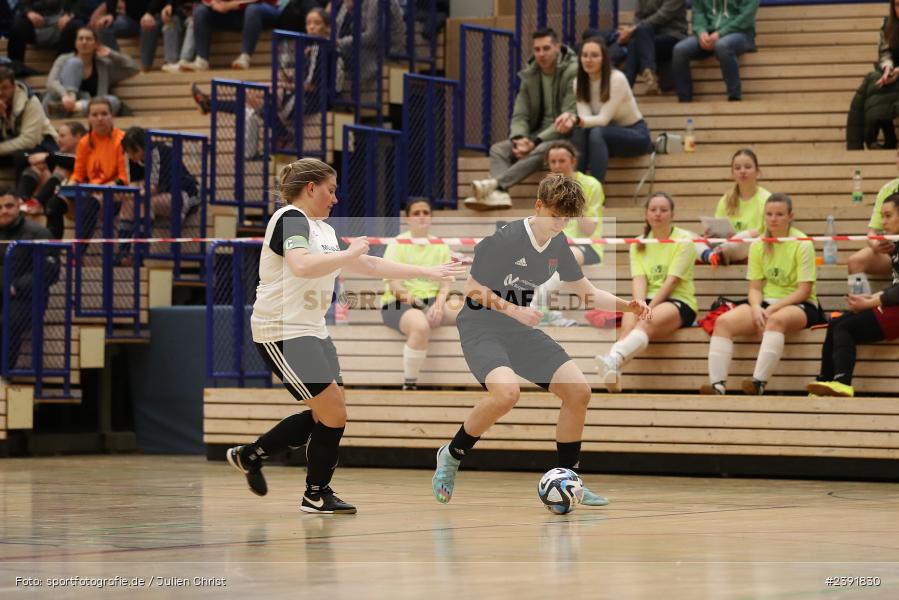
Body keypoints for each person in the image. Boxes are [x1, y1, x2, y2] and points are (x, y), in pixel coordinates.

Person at [226, 158, 466, 514]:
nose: (335, 199)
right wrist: (348, 253)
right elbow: (301, 265)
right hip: (282, 331)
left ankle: (250, 455)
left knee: (327, 411)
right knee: (333, 412)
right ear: (311, 188)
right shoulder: (291, 219)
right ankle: (315, 492)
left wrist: (426, 271)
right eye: (331, 190)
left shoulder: (322, 229)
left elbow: (369, 265)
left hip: (311, 330)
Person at [431, 174, 651, 506]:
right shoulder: (504, 239)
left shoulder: (559, 244)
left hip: (516, 328)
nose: (560, 224)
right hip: (481, 326)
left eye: (566, 219)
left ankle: (569, 479)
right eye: (555, 216)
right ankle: (452, 453)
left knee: (578, 391)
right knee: (506, 393)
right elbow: (473, 289)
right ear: (538, 206)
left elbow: (587, 294)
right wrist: (514, 310)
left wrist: (627, 305)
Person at [705, 193, 824, 396]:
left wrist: (772, 309)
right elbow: (755, 288)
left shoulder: (802, 243)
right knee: (723, 322)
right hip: (766, 303)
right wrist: (755, 307)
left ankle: (758, 383)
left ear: (790, 216)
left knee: (775, 320)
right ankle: (717, 385)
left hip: (801, 304)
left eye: (779, 214)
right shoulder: (758, 244)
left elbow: (804, 290)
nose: (773, 219)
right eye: (769, 214)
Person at [466, 28, 578, 210]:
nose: (541, 54)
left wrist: (534, 141)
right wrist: (520, 138)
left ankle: (495, 185)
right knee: (498, 150)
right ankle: (500, 195)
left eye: (546, 48)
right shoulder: (530, 74)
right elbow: (520, 114)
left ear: (557, 47)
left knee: (545, 150)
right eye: (537, 49)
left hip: (564, 134)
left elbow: (569, 112)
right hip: (535, 136)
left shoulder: (572, 70)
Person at [595, 192, 698, 392]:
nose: (658, 214)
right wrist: (639, 305)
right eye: (653, 210)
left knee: (645, 321)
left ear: (672, 214)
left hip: (678, 301)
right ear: (646, 214)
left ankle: (612, 359)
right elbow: (639, 279)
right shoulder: (639, 243)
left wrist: (646, 309)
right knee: (628, 322)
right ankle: (614, 377)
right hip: (649, 300)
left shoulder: (684, 240)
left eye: (663, 210)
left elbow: (672, 282)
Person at [808, 194, 899, 397]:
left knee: (846, 327)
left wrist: (869, 303)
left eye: (888, 215)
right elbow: (895, 286)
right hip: (893, 305)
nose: (883, 222)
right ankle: (824, 383)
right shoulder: (895, 245)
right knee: (835, 322)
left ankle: (842, 383)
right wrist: (870, 298)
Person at [380, 199, 461, 390]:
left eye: (426, 212)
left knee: (473, 313)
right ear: (408, 218)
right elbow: (395, 287)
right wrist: (425, 309)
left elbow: (445, 285)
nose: (422, 216)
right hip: (399, 303)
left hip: (432, 302)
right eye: (416, 213)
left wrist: (439, 306)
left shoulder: (440, 245)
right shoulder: (397, 244)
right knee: (420, 326)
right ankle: (410, 384)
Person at [531, 140, 604, 326]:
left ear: (573, 161)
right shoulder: (547, 188)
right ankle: (540, 311)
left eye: (561, 161)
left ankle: (536, 306)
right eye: (553, 162)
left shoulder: (591, 185)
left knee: (562, 256)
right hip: (554, 243)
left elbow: (590, 229)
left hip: (587, 245)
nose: (557, 166)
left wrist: (573, 202)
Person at [563, 36, 653, 182]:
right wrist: (572, 120)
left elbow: (603, 120)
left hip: (635, 134)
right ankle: (574, 190)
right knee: (580, 132)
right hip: (602, 137)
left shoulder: (617, 79)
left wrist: (575, 119)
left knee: (596, 132)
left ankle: (596, 194)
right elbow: (585, 120)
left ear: (604, 59)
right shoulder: (578, 82)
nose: (588, 60)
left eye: (594, 55)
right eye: (584, 55)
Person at [0, 190, 57, 373]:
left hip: (26, 300)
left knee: (7, 322)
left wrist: (17, 287)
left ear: (18, 206)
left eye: (8, 206)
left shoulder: (38, 233)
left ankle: (4, 374)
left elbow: (50, 271)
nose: (4, 211)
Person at [671, 0, 758, 102]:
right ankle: (684, 100)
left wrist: (721, 33)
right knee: (680, 50)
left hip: (741, 34)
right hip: (710, 34)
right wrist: (701, 31)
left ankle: (734, 97)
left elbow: (746, 18)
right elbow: (699, 12)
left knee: (722, 45)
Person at [42, 27, 139, 118]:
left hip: (88, 112)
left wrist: (111, 54)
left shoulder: (103, 65)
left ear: (96, 44)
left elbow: (132, 68)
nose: (84, 42)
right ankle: (71, 102)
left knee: (113, 101)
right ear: (75, 43)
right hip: (56, 106)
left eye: (88, 39)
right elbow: (51, 83)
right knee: (75, 63)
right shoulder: (63, 59)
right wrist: (65, 96)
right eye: (80, 39)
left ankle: (76, 108)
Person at [69, 97, 130, 240]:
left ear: (112, 116)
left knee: (88, 205)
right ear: (88, 119)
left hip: (115, 194)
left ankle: (78, 252)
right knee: (55, 204)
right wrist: (68, 186)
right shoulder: (84, 142)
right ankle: (53, 254)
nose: (100, 119)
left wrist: (101, 189)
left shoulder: (122, 140)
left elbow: (124, 178)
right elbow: (78, 174)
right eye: (95, 115)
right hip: (90, 191)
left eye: (104, 114)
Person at [699, 148, 770, 266]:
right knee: (688, 237)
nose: (742, 171)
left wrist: (737, 237)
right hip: (725, 245)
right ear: (732, 174)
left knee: (750, 235)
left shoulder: (767, 199)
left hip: (752, 248)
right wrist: (711, 235)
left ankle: (722, 253)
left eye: (747, 167)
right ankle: (714, 255)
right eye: (737, 168)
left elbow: (768, 236)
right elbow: (718, 232)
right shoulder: (725, 200)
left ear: (757, 171)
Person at [16, 121, 86, 238]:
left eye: (63, 136)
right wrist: (42, 158)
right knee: (38, 167)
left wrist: (47, 156)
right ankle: (21, 200)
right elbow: (20, 157)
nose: (58, 140)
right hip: (55, 196)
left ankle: (37, 202)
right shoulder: (58, 156)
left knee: (61, 169)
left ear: (78, 137)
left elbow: (76, 162)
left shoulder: (86, 153)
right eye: (58, 136)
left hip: (78, 200)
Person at [122, 126, 202, 227]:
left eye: (134, 151)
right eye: (128, 152)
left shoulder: (157, 152)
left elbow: (153, 188)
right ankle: (125, 242)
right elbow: (135, 184)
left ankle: (143, 241)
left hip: (186, 193)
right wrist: (128, 195)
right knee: (127, 205)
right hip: (163, 193)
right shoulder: (135, 159)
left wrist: (131, 194)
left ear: (144, 146)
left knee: (147, 203)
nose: (131, 155)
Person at [847, 0, 899, 150]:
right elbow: (885, 52)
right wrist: (888, 68)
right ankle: (868, 140)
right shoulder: (888, 25)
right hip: (893, 71)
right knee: (874, 82)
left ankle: (886, 137)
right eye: (896, 5)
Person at [848, 149, 899, 291]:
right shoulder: (888, 189)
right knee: (855, 261)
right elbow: (872, 231)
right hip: (892, 251)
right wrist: (875, 244)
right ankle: (859, 307)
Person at [181, 0, 281, 71]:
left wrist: (229, 5)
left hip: (263, 8)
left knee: (252, 9)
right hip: (232, 13)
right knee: (200, 10)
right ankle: (202, 60)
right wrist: (214, 2)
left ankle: (245, 57)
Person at [0, 67, 59, 181]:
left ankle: (21, 196)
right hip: (10, 147)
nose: (0, 93)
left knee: (21, 157)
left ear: (14, 86)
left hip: (42, 145)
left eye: (5, 88)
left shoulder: (31, 102)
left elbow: (29, 141)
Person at [618, 0, 688, 93]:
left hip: (673, 35)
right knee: (634, 42)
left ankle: (624, 90)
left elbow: (663, 15)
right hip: (647, 38)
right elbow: (638, 16)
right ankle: (648, 74)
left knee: (636, 40)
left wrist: (635, 29)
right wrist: (633, 30)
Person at [6, 0, 83, 68]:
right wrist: (29, 12)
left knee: (75, 27)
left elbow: (77, 4)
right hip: (36, 21)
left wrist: (69, 15)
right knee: (18, 27)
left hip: (60, 23)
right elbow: (22, 3)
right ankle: (15, 69)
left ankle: (61, 70)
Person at [139, 0, 195, 73]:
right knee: (151, 22)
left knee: (174, 21)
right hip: (168, 12)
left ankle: (172, 61)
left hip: (184, 13)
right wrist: (149, 12)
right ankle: (146, 67)